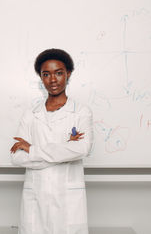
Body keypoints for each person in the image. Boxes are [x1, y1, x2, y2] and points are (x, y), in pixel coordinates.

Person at [10, 48, 94, 234]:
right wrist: (63, 151)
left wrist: (33, 150)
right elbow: (16, 157)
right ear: (41, 77)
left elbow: (82, 149)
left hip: (67, 199)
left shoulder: (81, 112)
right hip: (36, 198)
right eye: (46, 74)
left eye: (59, 73)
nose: (53, 80)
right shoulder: (30, 114)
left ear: (68, 74)